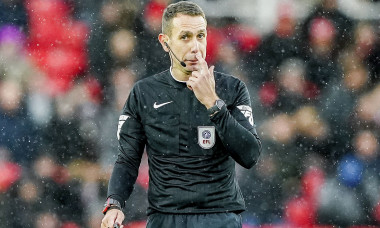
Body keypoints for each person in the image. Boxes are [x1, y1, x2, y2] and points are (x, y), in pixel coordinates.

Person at [100, 1, 262, 228]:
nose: (196, 46)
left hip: (218, 215)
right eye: (185, 37)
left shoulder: (231, 89)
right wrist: (115, 203)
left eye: (200, 35)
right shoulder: (144, 93)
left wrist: (213, 105)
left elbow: (250, 155)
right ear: (165, 43)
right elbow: (127, 159)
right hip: (165, 217)